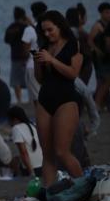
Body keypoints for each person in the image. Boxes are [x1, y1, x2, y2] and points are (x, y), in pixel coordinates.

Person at [33, 10, 84, 185]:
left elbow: (72, 74)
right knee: (47, 155)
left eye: (50, 30)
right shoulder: (44, 47)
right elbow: (40, 79)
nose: (47, 34)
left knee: (62, 151)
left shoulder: (73, 45)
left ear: (60, 26)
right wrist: (37, 62)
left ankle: (84, 187)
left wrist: (52, 60)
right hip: (45, 98)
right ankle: (48, 193)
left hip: (66, 99)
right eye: (44, 31)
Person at [90, 2, 110, 110]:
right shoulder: (98, 25)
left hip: (108, 56)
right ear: (101, 13)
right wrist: (98, 51)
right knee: (105, 79)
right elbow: (90, 41)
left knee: (103, 81)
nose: (109, 14)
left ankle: (104, 104)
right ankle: (98, 104)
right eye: (106, 12)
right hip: (100, 57)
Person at [3, 7, 30, 104]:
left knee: (16, 80)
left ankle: (19, 100)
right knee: (28, 78)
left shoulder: (11, 27)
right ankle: (31, 99)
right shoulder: (26, 27)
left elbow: (6, 40)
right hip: (26, 56)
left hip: (15, 56)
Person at [7, 105, 43, 177]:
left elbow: (24, 152)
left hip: (32, 167)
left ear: (15, 119)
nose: (8, 122)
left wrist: (31, 172)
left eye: (9, 119)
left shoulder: (16, 129)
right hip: (42, 165)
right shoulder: (33, 125)